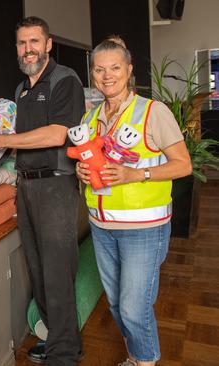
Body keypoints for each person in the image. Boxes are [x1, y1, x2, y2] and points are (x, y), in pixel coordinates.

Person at [0, 16, 84, 366]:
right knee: (38, 269)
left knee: (58, 270)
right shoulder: (21, 90)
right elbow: (23, 141)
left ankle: (65, 355)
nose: (28, 49)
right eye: (22, 43)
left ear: (48, 44)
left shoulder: (66, 80)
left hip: (56, 185)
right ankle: (55, 339)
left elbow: (56, 134)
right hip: (27, 185)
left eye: (35, 41)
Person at [75, 36, 191, 366]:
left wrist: (134, 174)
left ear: (128, 70)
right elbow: (90, 163)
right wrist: (82, 171)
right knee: (115, 304)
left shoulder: (153, 112)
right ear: (92, 73)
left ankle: (145, 362)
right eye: (100, 69)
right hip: (102, 227)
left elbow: (184, 164)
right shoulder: (90, 118)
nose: (107, 75)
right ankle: (134, 358)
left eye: (115, 68)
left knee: (133, 307)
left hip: (144, 229)